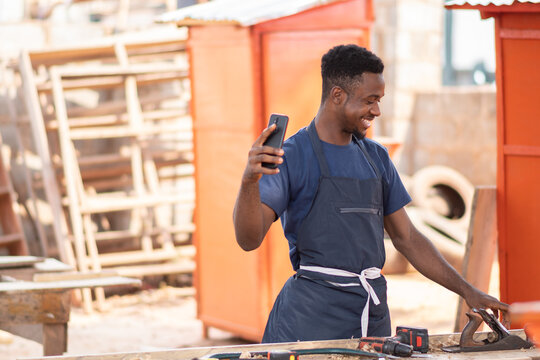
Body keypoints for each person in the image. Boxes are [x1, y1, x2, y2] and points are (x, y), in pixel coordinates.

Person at [232, 44, 508, 343]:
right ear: (337, 95)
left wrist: (468, 291)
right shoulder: (293, 156)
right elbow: (248, 240)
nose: (376, 110)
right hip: (310, 321)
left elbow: (408, 239)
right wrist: (249, 181)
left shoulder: (376, 157)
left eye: (379, 100)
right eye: (370, 100)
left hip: (371, 314)